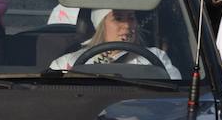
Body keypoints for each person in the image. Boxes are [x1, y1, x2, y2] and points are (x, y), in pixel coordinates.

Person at [48, 8, 180, 76]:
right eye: (118, 18)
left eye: (131, 18)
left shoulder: (156, 57)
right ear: (101, 26)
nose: (127, 26)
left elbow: (175, 97)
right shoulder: (66, 63)